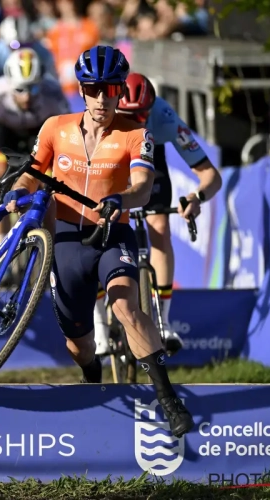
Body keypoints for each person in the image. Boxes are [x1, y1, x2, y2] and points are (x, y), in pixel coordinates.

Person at [3, 46, 194, 437]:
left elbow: (143, 187)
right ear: (82, 89)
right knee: (81, 347)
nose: (102, 98)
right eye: (93, 88)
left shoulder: (136, 134)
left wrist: (121, 199)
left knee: (126, 308)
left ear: (121, 90)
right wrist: (16, 193)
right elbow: (32, 173)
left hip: (111, 233)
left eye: (110, 89)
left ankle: (169, 401)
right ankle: (92, 375)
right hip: (68, 240)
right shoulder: (55, 127)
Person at [90, 72, 222, 357]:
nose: (136, 123)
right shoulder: (98, 117)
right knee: (96, 229)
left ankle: (163, 320)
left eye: (141, 117)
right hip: (111, 157)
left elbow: (211, 176)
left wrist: (197, 197)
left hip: (149, 160)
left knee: (159, 226)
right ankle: (99, 326)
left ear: (151, 110)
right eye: (129, 116)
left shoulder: (164, 117)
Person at [0, 47, 68, 247]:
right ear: (9, 83)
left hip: (39, 132)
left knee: (50, 183)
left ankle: (52, 252)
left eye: (33, 88)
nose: (27, 97)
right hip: (2, 134)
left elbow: (68, 146)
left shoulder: (54, 94)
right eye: (20, 89)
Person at [0, 15, 57, 103]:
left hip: (35, 94)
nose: (20, 50)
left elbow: (52, 79)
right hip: (3, 97)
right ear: (4, 42)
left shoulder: (41, 50)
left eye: (26, 45)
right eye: (15, 45)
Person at [43, 0, 100, 112]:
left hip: (86, 89)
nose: (69, 5)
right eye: (65, 2)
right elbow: (48, 59)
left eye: (71, 2)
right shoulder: (53, 31)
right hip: (62, 90)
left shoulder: (91, 27)